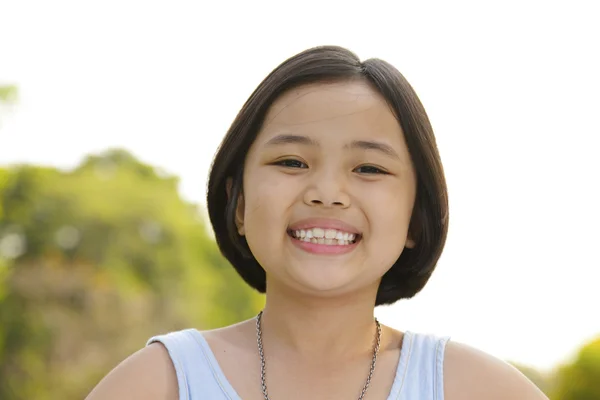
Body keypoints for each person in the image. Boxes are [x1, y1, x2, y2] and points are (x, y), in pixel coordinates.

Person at [86, 45, 548, 400]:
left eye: (369, 168)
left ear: (415, 218)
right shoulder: (158, 383)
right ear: (239, 204)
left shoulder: (475, 388)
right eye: (291, 161)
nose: (326, 192)